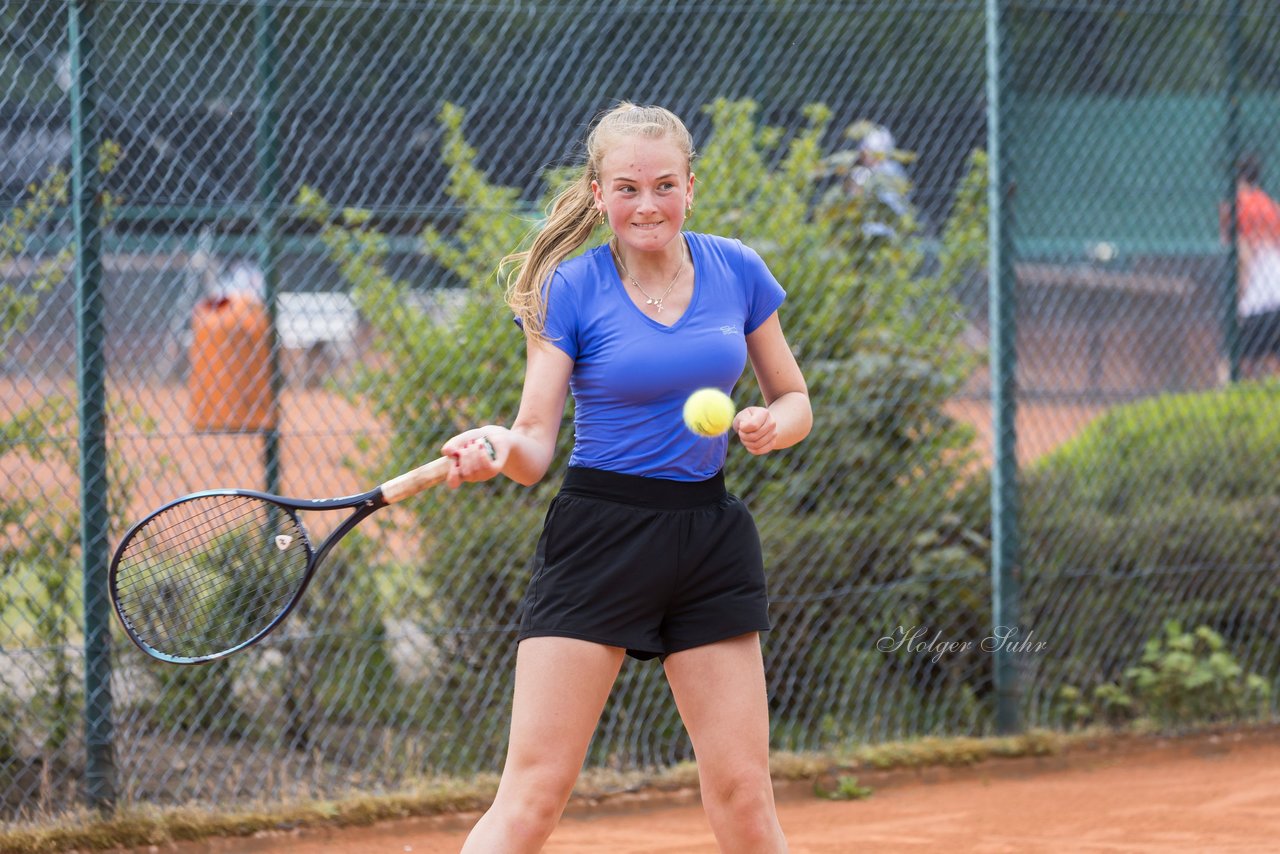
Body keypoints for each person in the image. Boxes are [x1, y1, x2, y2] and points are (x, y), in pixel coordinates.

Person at [440, 102, 811, 853]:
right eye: (630, 188)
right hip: (600, 534)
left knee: (745, 796)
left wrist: (775, 426)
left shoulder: (736, 268)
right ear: (601, 193)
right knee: (535, 793)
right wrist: (495, 446)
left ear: (690, 189)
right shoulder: (570, 288)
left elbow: (795, 398)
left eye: (665, 186)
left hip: (709, 539)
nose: (649, 205)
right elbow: (536, 442)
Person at [1220, 153, 1280, 378]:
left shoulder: (1236, 207)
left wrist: (1239, 298)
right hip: (1278, 294)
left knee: (1230, 363)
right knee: (1274, 364)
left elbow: (1243, 254)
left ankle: (1223, 409)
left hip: (1255, 299)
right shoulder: (1273, 207)